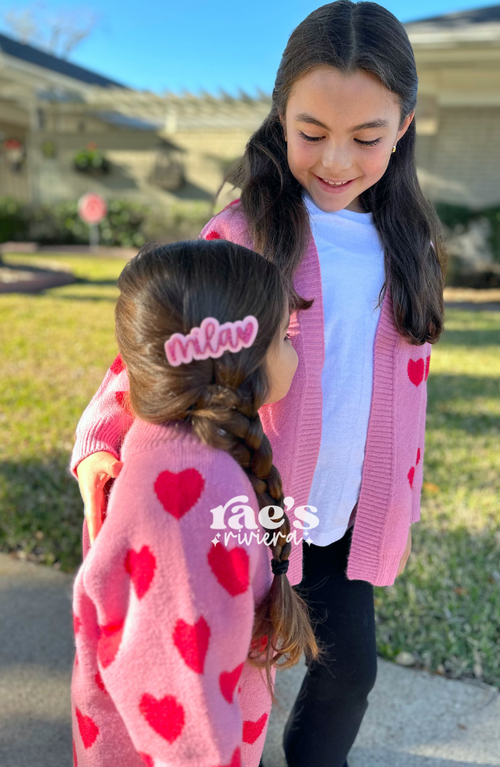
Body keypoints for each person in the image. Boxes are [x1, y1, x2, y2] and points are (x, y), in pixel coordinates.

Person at [71, 2, 448, 766]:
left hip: (340, 514)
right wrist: (101, 440)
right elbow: (157, 346)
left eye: (366, 137)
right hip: (248, 513)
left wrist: (399, 492)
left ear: (403, 124)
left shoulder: (409, 246)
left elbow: (405, 391)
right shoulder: (242, 234)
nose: (335, 159)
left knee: (350, 672)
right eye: (311, 132)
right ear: (279, 116)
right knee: (231, 675)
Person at [70, 240, 322, 767]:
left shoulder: (167, 445)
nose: (295, 354)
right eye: (284, 338)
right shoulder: (194, 491)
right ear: (239, 358)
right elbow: (182, 689)